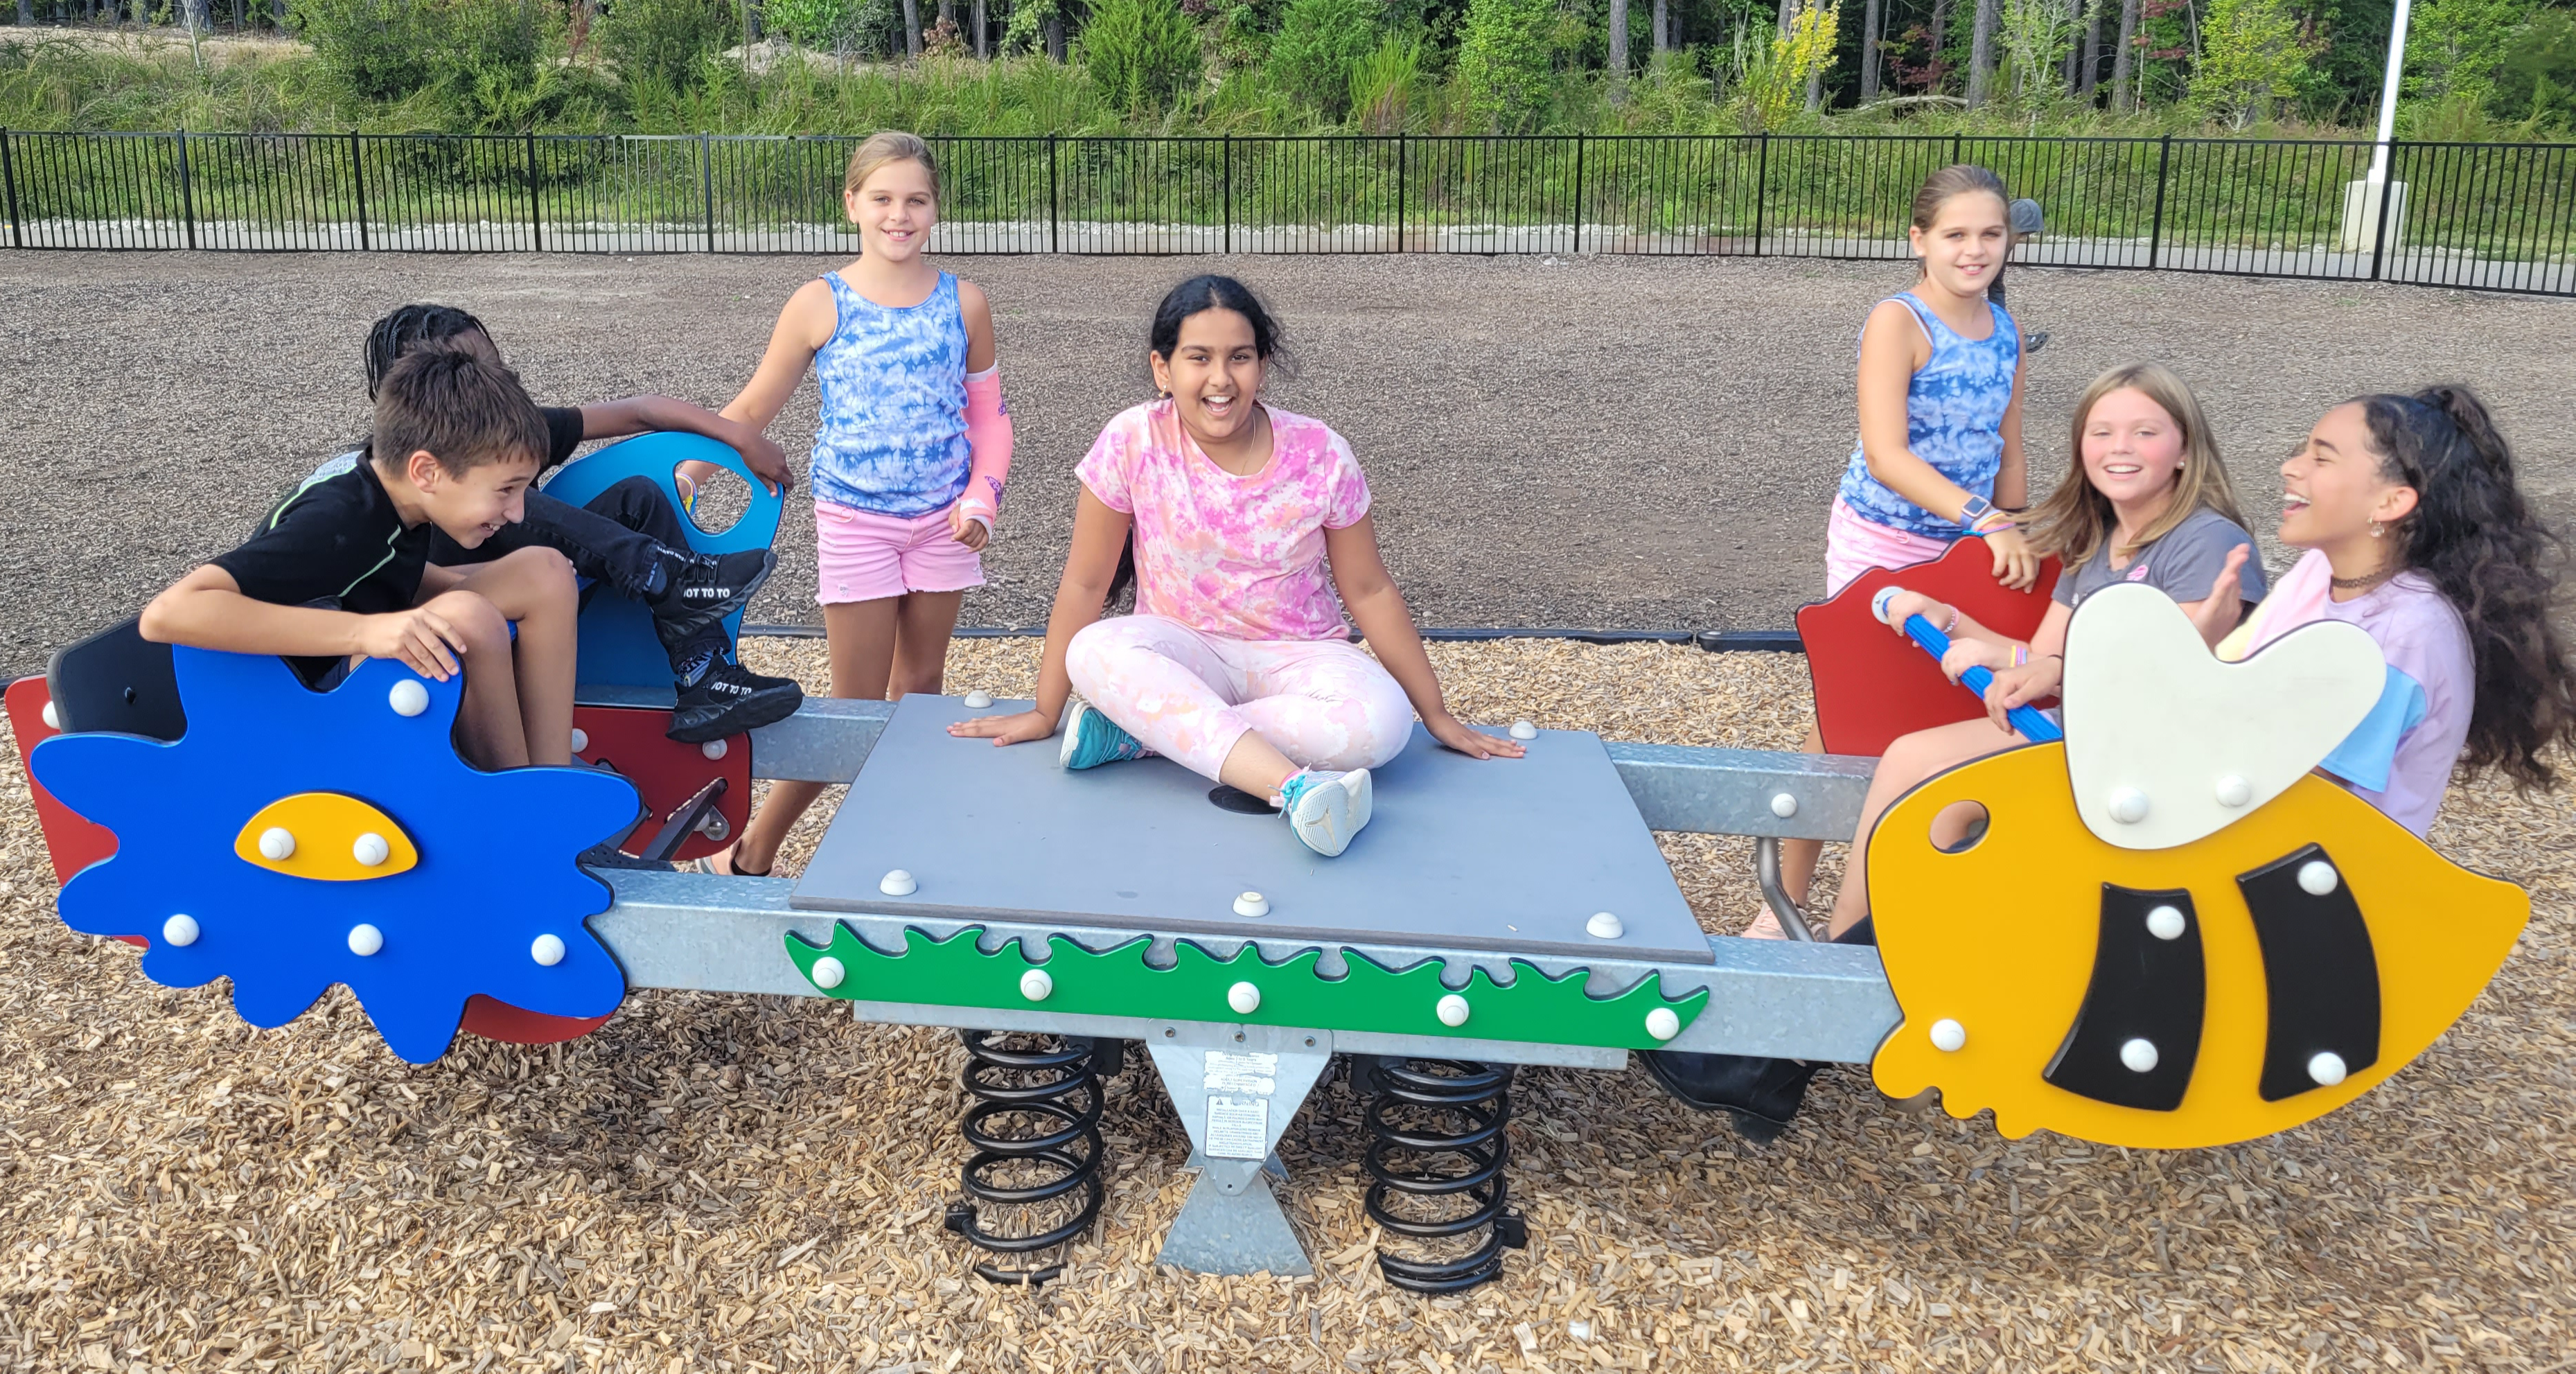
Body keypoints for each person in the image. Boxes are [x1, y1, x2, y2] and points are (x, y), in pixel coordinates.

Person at [946, 274, 1521, 857]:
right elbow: (1086, 581)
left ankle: (1147, 730)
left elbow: (1369, 590)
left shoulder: (1320, 453)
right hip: (1182, 649)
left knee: (1383, 722)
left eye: (1239, 358)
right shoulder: (1132, 440)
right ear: (1162, 369)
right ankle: (1296, 791)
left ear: (1262, 366)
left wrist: (1436, 713)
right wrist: (1047, 711)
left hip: (1300, 655)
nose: (1221, 379)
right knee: (1094, 652)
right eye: (1199, 358)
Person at [691, 131, 1013, 878]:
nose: (898, 215)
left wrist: (983, 499)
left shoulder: (964, 302)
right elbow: (757, 402)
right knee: (855, 705)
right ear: (852, 205)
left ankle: (896, 847)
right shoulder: (818, 303)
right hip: (856, 523)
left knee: (921, 692)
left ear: (935, 208)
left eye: (915, 200)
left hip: (942, 525)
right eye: (883, 199)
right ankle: (755, 846)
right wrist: (694, 470)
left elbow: (990, 418)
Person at [357, 303, 805, 743]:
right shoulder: (392, 479)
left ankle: (703, 670)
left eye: (492, 371)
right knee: (514, 501)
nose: (489, 389)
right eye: (466, 377)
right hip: (463, 610)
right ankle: (665, 573)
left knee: (638, 497)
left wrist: (738, 434)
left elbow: (641, 410)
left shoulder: (505, 429)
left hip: (540, 591)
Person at [1779, 163, 2040, 909]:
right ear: (1918, 239)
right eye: (1955, 234)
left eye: (1991, 234)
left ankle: (1924, 890)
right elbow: (1888, 454)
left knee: (1964, 704)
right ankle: (1784, 896)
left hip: (1969, 545)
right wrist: (1983, 518)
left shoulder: (2005, 329)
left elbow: (2008, 440)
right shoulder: (1898, 320)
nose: (1974, 250)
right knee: (1854, 708)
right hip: (1884, 542)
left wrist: (2016, 528)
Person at [138, 350, 579, 771]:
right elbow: (167, 614)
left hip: (340, 677)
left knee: (544, 572)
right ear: (426, 472)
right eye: (505, 490)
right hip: (293, 713)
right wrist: (368, 631)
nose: (518, 512)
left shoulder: (395, 491)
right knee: (469, 617)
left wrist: (452, 585)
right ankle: (522, 813)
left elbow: (364, 571)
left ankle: (554, 782)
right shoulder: (335, 520)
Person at [2213, 385, 2576, 834]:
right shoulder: (2317, 572)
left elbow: (2298, 796)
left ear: (2391, 503)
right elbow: (2226, 675)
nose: (2290, 467)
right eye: (2300, 452)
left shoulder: (2405, 633)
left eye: (2321, 458)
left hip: (2319, 883)